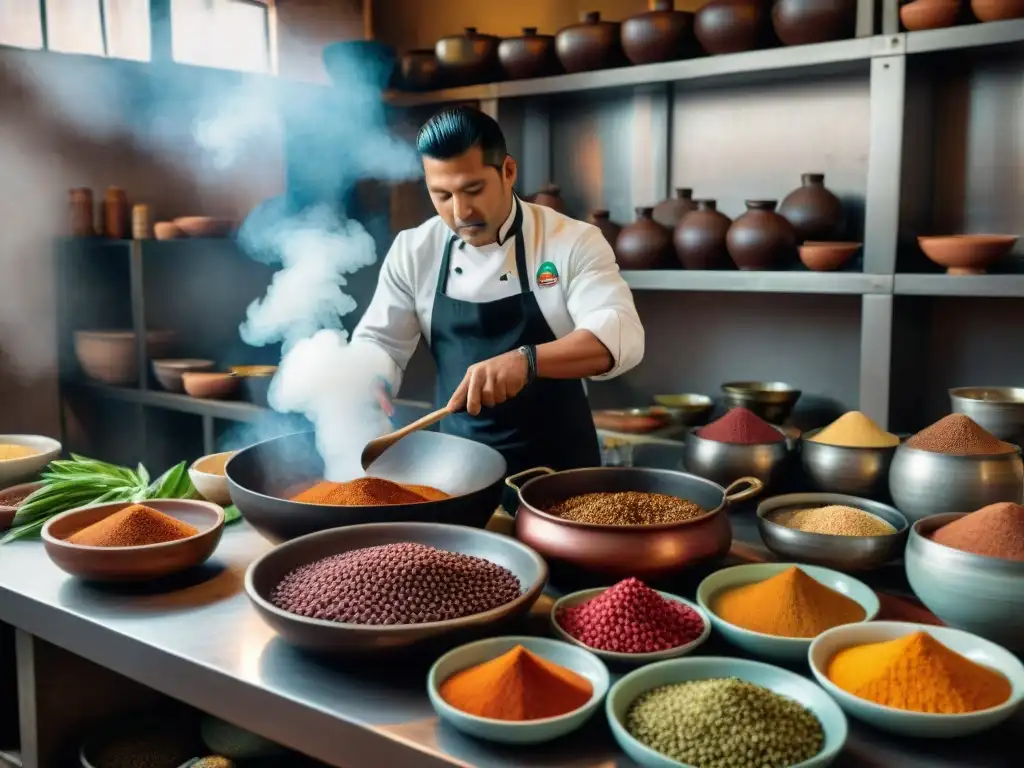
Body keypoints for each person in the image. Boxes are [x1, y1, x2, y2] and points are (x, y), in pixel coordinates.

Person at [351, 105, 644, 491]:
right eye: (441, 195)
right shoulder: (415, 250)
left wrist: (527, 360)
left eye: (473, 190)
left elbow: (620, 336)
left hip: (559, 473)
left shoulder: (571, 241)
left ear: (508, 171)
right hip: (455, 472)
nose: (460, 212)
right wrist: (372, 377)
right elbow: (380, 341)